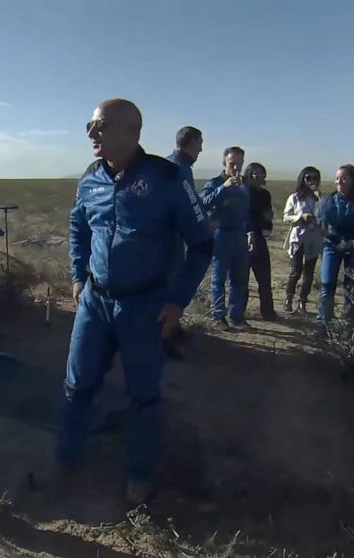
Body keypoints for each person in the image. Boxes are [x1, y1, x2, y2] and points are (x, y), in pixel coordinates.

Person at [60, 99, 213, 505]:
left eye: (100, 125)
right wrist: (78, 275)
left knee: (143, 395)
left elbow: (201, 244)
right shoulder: (90, 178)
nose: (91, 133)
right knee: (77, 385)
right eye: (90, 125)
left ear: (132, 131)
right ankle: (67, 459)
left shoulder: (167, 178)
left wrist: (178, 301)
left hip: (143, 306)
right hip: (94, 302)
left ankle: (141, 474)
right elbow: (78, 227)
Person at [163, 125, 205, 359]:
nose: (202, 148)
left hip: (164, 238)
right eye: (200, 142)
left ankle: (170, 330)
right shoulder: (180, 169)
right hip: (171, 240)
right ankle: (165, 336)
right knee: (171, 287)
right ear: (191, 142)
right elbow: (190, 203)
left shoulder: (169, 163)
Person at [316, 164, 354, 329]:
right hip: (331, 246)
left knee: (352, 286)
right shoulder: (328, 201)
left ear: (352, 179)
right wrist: (337, 241)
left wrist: (353, 242)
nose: (339, 181)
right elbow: (323, 225)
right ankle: (323, 324)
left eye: (343, 178)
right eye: (337, 178)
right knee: (327, 284)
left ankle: (349, 326)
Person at [201, 147, 251, 329]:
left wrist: (250, 231)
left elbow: (247, 210)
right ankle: (218, 316)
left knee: (240, 278)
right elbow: (202, 203)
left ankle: (236, 316)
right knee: (219, 276)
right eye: (232, 164)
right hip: (221, 233)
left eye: (239, 164)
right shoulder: (215, 183)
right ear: (224, 163)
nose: (236, 168)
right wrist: (224, 187)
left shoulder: (245, 186)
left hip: (239, 234)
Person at [282, 166, 323, 314]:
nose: (312, 181)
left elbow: (325, 217)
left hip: (314, 239)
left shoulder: (321, 198)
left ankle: (302, 303)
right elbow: (286, 218)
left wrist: (319, 200)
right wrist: (300, 217)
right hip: (298, 238)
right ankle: (288, 299)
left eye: (315, 178)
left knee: (309, 273)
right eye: (308, 178)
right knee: (296, 271)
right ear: (302, 179)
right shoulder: (294, 198)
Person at [244, 162, 276, 320]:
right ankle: (238, 312)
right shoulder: (243, 191)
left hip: (260, 237)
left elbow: (268, 213)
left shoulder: (265, 194)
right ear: (248, 173)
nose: (258, 175)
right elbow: (245, 215)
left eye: (261, 173)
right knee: (241, 278)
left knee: (264, 277)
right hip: (244, 238)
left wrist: (268, 226)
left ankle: (268, 311)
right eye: (255, 172)